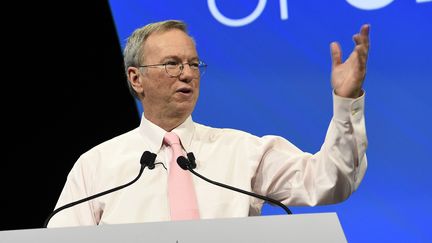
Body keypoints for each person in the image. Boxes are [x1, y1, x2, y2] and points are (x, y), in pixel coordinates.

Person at [47, 19, 369, 227]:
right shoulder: (96, 167)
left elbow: (332, 180)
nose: (187, 73)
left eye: (193, 63)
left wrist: (346, 101)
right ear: (136, 78)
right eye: (172, 64)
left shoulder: (243, 152)